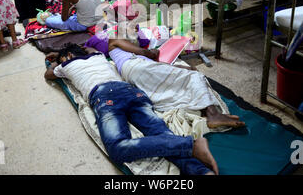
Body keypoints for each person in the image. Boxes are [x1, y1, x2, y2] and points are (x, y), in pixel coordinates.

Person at [44, 44, 219, 175]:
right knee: (162, 134)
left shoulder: (65, 66)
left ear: (68, 55)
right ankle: (202, 172)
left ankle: (190, 145)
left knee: (118, 148)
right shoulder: (98, 56)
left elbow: (48, 74)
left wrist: (55, 58)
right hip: (133, 92)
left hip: (105, 96)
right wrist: (67, 53)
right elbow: (88, 48)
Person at [86, 36, 245, 129]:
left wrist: (175, 67)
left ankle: (204, 110)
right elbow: (145, 53)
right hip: (138, 67)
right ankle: (213, 114)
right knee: (194, 76)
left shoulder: (118, 58)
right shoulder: (114, 42)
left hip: (133, 73)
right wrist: (153, 52)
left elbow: (156, 68)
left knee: (180, 77)